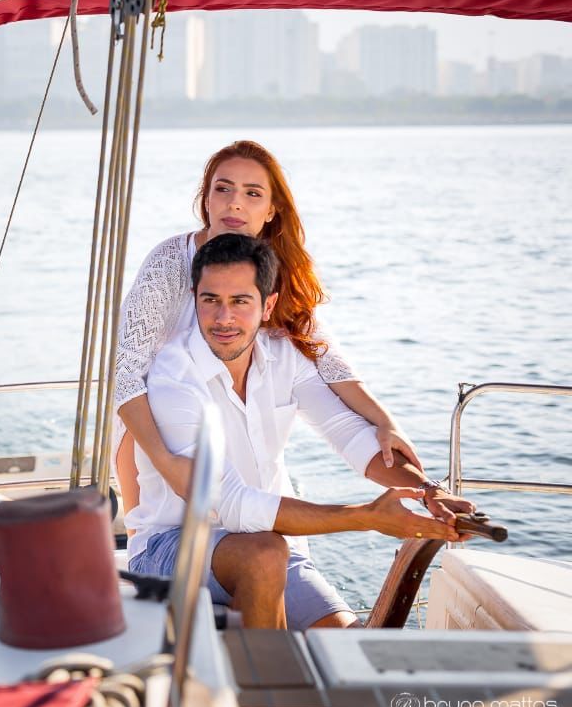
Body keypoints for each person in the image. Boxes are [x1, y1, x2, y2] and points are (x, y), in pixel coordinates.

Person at [127, 234, 474, 629]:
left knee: (352, 647)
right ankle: (264, 671)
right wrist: (366, 517)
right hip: (171, 546)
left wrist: (429, 491)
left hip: (270, 545)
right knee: (263, 554)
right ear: (194, 298)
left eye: (240, 302)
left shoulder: (284, 355)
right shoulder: (174, 376)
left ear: (267, 305)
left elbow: (349, 433)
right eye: (211, 300)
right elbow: (233, 504)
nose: (223, 318)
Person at [113, 140, 456, 525]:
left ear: (272, 209)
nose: (235, 203)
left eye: (252, 193)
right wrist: (164, 460)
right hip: (154, 414)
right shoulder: (169, 261)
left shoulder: (275, 271)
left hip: (239, 401)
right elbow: (125, 371)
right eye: (223, 189)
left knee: (252, 517)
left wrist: (384, 422)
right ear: (206, 200)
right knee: (154, 529)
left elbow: (326, 360)